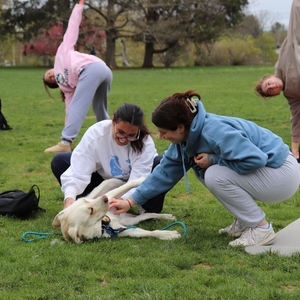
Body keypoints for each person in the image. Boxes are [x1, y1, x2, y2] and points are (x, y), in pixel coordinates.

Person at [109, 90, 299, 247]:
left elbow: (256, 160)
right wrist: (130, 201)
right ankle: (245, 221)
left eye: (164, 132)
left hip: (282, 173)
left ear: (181, 128)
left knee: (214, 174)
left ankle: (261, 229)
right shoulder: (185, 140)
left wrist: (215, 159)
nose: (161, 137)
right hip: (270, 172)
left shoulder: (214, 131)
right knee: (207, 172)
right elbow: (164, 172)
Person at [51, 102, 166, 212]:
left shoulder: (145, 143)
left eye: (131, 135)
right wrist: (69, 198)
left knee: (162, 163)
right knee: (60, 161)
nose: (124, 139)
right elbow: (78, 171)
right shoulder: (96, 134)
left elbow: (138, 180)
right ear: (113, 121)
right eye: (120, 132)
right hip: (105, 182)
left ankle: (144, 206)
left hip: (136, 185)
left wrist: (124, 201)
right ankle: (87, 202)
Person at [43, 0, 112, 154]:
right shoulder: (66, 87)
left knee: (86, 106)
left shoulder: (62, 53)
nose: (51, 77)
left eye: (49, 74)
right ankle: (112, 138)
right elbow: (70, 110)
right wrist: (68, 125)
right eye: (50, 81)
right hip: (99, 72)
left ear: (51, 69)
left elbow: (72, 29)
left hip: (95, 68)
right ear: (55, 85)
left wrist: (79, 5)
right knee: (99, 108)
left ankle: (65, 142)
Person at [254, 0, 300, 161]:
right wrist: (294, 150)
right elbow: (296, 120)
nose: (272, 86)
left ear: (270, 77)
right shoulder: (292, 94)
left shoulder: (284, 58)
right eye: (270, 90)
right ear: (276, 94)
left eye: (269, 84)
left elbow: (293, 31)